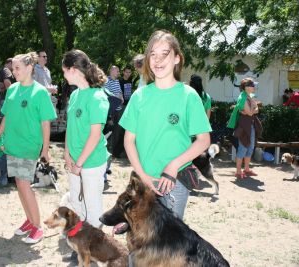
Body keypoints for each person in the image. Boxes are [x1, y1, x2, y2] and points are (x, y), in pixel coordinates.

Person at [119, 30, 211, 219]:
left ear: (177, 58)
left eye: (164, 54)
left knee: (169, 245)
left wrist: (173, 166)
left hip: (173, 182)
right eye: (152, 54)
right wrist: (143, 177)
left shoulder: (189, 96)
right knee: (143, 242)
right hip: (143, 181)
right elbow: (129, 141)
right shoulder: (139, 97)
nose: (158, 60)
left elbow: (203, 140)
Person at [0, 52, 57, 244]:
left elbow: (45, 123)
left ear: (29, 69)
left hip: (29, 145)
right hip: (12, 144)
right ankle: (29, 220)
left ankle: (38, 227)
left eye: (17, 68)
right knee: (19, 183)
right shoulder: (12, 90)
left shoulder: (40, 92)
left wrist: (45, 149)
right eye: (13, 68)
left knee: (25, 185)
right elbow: (7, 116)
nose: (13, 72)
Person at [62, 49, 110, 228]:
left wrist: (80, 164)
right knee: (76, 203)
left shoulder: (97, 97)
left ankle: (93, 250)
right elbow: (71, 128)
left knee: (92, 207)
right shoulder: (74, 95)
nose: (64, 76)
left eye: (64, 71)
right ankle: (80, 248)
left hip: (91, 162)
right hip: (74, 162)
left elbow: (95, 135)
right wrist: (67, 154)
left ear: (73, 70)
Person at [227, 78, 262, 179]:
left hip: (250, 124)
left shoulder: (250, 96)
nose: (254, 87)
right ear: (246, 87)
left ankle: (246, 169)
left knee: (250, 147)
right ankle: (238, 172)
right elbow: (251, 112)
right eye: (252, 85)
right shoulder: (242, 97)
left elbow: (256, 110)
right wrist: (253, 107)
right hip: (244, 125)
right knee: (243, 147)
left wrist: (252, 109)